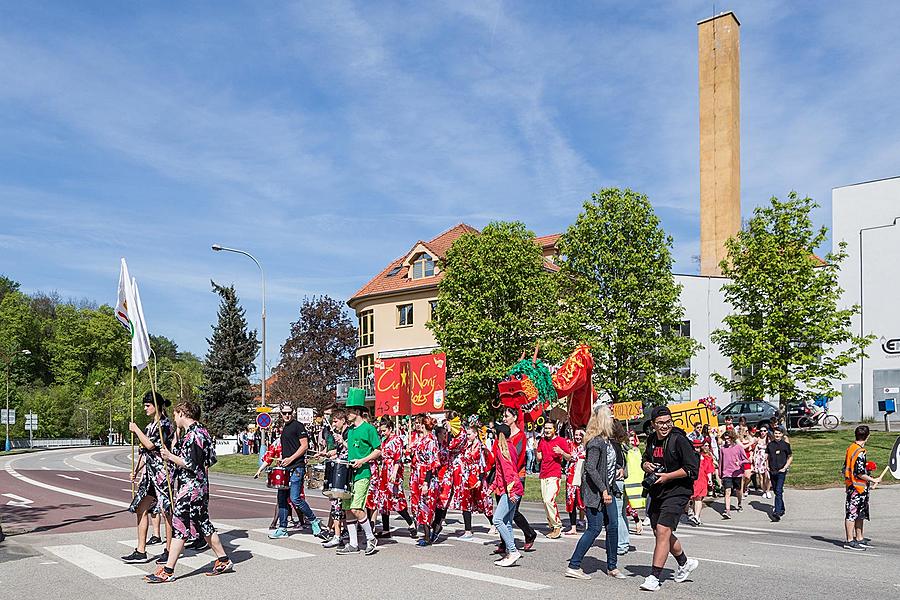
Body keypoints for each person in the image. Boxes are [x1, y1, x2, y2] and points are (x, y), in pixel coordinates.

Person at [147, 400, 232, 582]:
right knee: (203, 523)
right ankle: (223, 560)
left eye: (176, 415)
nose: (174, 418)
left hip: (191, 487)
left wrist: (169, 456)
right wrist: (176, 441)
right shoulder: (201, 432)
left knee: (180, 525)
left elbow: (190, 463)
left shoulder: (194, 435)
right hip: (199, 486)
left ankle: (168, 570)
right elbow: (208, 459)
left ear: (182, 413)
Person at [639, 405, 700, 592]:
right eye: (661, 423)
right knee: (660, 533)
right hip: (658, 491)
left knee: (663, 530)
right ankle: (684, 562)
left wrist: (668, 476)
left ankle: (654, 577)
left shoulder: (679, 440)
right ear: (653, 425)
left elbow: (692, 469)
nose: (665, 426)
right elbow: (645, 459)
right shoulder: (651, 440)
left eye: (668, 422)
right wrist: (646, 465)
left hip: (678, 490)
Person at [565, 404, 624, 580]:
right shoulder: (596, 441)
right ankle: (574, 565)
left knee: (613, 526)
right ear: (602, 419)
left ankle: (612, 566)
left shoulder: (608, 440)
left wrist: (620, 469)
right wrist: (604, 489)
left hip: (608, 491)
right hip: (596, 493)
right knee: (595, 528)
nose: (612, 418)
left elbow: (610, 464)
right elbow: (591, 468)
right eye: (609, 415)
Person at [122, 391, 174, 565]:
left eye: (147, 405)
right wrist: (136, 471)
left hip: (163, 473)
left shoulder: (165, 425)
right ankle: (140, 550)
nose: (145, 408)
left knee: (167, 512)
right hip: (149, 474)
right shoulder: (149, 426)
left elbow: (152, 445)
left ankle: (169, 549)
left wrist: (136, 430)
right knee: (140, 508)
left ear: (157, 406)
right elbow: (144, 453)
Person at [268, 404, 325, 540]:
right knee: (282, 499)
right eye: (284, 413)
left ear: (292, 413)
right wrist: (283, 458)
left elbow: (304, 446)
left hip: (296, 467)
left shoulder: (298, 426)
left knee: (295, 499)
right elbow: (289, 447)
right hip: (286, 467)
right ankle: (282, 528)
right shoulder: (284, 428)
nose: (287, 415)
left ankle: (313, 520)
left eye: (289, 413)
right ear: (281, 414)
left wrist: (291, 458)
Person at [336, 388, 382, 556]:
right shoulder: (352, 431)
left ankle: (370, 538)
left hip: (362, 473)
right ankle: (353, 544)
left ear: (357, 411)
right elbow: (355, 449)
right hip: (350, 474)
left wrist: (362, 461)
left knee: (356, 507)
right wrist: (343, 443)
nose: (347, 413)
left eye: (349, 410)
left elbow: (378, 450)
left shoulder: (369, 429)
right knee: (347, 508)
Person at [499, 406, 537, 553]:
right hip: (504, 477)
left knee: (512, 512)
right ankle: (505, 543)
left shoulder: (520, 436)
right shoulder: (504, 435)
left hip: (516, 476)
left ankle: (529, 533)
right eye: (504, 416)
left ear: (514, 418)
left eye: (507, 416)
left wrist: (511, 474)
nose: (504, 418)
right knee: (505, 512)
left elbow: (520, 458)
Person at [370, 418, 416, 539]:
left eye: (384, 430)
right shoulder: (385, 441)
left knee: (396, 499)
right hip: (384, 471)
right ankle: (386, 529)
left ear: (390, 429)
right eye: (381, 430)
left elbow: (398, 458)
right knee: (383, 501)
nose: (383, 432)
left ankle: (411, 523)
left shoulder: (397, 440)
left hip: (393, 472)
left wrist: (394, 473)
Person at [453, 418, 494, 538]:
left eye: (469, 434)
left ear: (475, 434)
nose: (468, 436)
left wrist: (480, 479)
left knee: (483, 501)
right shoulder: (466, 446)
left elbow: (483, 464)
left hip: (477, 476)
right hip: (466, 477)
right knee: (465, 502)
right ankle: (468, 530)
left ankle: (493, 523)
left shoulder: (480, 447)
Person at [490, 423, 524, 567]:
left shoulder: (502, 449)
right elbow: (501, 474)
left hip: (511, 489)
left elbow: (508, 472)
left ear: (499, 435)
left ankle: (513, 550)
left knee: (497, 520)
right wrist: (492, 486)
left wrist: (511, 491)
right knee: (508, 522)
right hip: (512, 488)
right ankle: (510, 554)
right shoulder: (510, 447)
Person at [843, 425, 882, 550]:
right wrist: (873, 479)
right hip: (856, 487)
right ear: (868, 436)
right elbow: (859, 472)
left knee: (860, 513)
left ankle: (859, 538)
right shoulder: (859, 452)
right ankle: (850, 540)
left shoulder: (851, 448)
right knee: (852, 514)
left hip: (856, 486)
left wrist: (867, 467)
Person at [317, 409, 349, 548]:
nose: (334, 424)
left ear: (342, 420)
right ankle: (338, 533)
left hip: (345, 471)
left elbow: (352, 450)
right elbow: (338, 450)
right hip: (339, 469)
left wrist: (342, 441)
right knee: (336, 504)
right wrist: (325, 453)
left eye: (335, 421)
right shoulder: (339, 433)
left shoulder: (348, 433)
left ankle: (338, 535)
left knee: (339, 502)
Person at [536, 420, 571, 539]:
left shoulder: (561, 441)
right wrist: (537, 450)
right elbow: (539, 458)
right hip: (543, 474)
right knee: (545, 503)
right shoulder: (542, 440)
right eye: (545, 428)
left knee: (548, 500)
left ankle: (557, 526)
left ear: (554, 429)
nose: (547, 430)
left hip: (554, 474)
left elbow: (570, 457)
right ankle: (552, 526)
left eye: (549, 428)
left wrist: (561, 452)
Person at [766, 427, 792, 522]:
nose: (777, 435)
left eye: (779, 433)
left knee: (778, 490)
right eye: (775, 433)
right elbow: (767, 456)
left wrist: (785, 467)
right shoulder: (770, 445)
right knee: (777, 492)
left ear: (782, 434)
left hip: (781, 471)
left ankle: (777, 512)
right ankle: (782, 508)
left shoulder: (785, 445)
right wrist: (766, 466)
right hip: (772, 471)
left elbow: (790, 457)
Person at [563, 429, 586, 536]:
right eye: (576, 435)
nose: (578, 437)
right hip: (571, 478)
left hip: (583, 477)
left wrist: (585, 436)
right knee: (571, 501)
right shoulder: (569, 444)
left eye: (580, 435)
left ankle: (585, 522)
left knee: (583, 502)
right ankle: (573, 527)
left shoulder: (587, 446)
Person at [718, 431, 744, 518]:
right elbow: (720, 461)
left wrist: (739, 463)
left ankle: (739, 503)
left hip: (737, 472)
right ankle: (727, 511)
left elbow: (746, 460)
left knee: (738, 490)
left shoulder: (739, 447)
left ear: (732, 438)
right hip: (726, 473)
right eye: (725, 439)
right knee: (727, 491)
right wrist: (720, 473)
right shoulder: (722, 449)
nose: (727, 440)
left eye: (728, 438)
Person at [689, 440, 715, 526]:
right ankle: (697, 517)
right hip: (692, 479)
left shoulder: (705, 457)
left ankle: (696, 516)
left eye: (698, 447)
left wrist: (710, 479)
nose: (697, 449)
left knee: (698, 498)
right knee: (693, 498)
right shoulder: (689, 456)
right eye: (695, 447)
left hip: (701, 479)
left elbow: (709, 470)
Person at [752, 427, 771, 498]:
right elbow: (755, 450)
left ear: (767, 432)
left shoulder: (769, 440)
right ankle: (764, 490)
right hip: (759, 459)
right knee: (761, 477)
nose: (762, 432)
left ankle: (768, 490)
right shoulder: (757, 439)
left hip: (766, 459)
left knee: (767, 476)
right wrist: (754, 457)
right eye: (761, 431)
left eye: (764, 431)